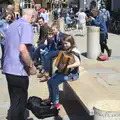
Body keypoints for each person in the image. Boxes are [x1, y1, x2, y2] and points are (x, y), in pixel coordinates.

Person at [3, 9, 37, 120]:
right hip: (18, 70)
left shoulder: (12, 25)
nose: (33, 21)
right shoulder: (26, 25)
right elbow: (23, 49)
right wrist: (31, 66)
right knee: (20, 102)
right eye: (34, 18)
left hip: (8, 68)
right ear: (31, 16)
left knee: (14, 100)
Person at [47, 34, 81, 109]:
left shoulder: (74, 51)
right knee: (49, 81)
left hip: (72, 74)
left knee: (54, 83)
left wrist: (67, 66)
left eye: (66, 43)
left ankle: (56, 103)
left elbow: (78, 63)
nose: (64, 45)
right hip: (64, 72)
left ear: (71, 43)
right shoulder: (66, 50)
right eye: (63, 43)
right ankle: (51, 98)